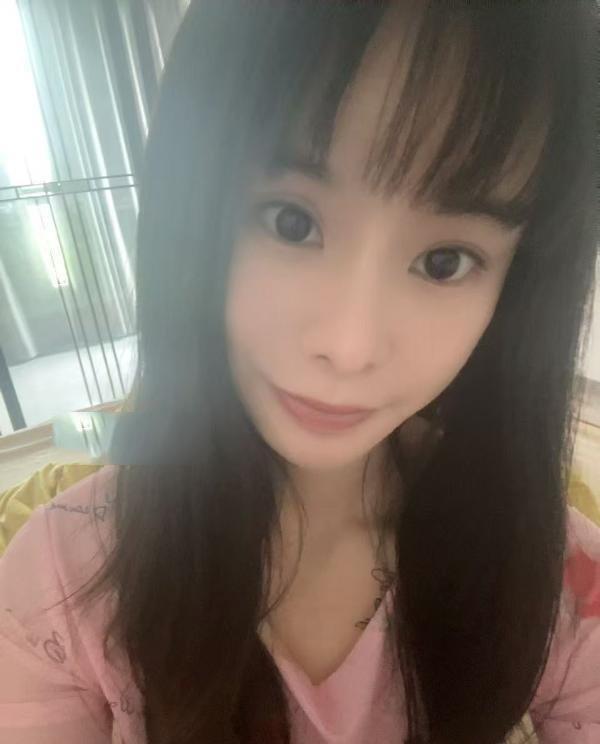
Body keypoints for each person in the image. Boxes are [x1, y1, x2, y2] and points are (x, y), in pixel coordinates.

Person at [0, 1, 599, 742]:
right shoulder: (60, 580)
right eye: (292, 221)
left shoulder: (562, 578)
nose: (348, 347)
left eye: (444, 261)